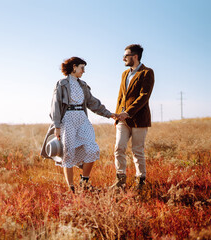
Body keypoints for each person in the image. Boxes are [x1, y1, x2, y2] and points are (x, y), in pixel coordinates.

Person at [41, 57, 117, 193]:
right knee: (68, 153)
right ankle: (71, 189)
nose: (84, 71)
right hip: (68, 119)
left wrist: (109, 114)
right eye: (82, 68)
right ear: (74, 67)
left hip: (82, 118)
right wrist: (57, 126)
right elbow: (56, 106)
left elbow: (93, 103)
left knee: (92, 148)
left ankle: (84, 181)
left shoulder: (83, 85)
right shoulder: (62, 84)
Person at [112, 44, 154, 190]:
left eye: (126, 55)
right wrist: (118, 115)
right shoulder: (124, 74)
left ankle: (140, 182)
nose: (123, 58)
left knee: (137, 151)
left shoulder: (147, 72)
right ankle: (120, 181)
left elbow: (144, 96)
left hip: (139, 118)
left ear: (135, 57)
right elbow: (120, 96)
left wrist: (128, 112)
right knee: (118, 148)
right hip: (122, 119)